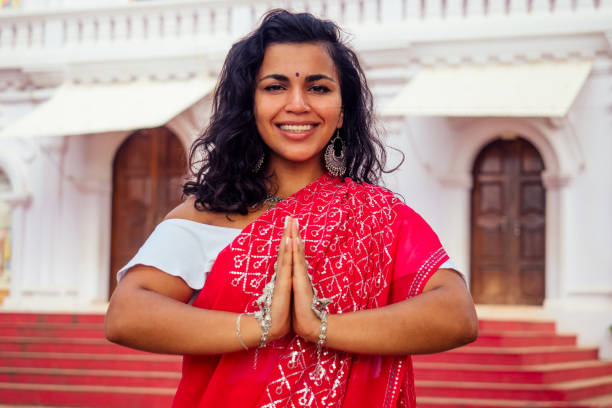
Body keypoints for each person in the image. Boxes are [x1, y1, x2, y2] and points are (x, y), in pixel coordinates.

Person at [105, 9, 478, 408]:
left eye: (318, 88)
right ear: (250, 106)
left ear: (342, 112)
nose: (297, 104)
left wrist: (321, 328)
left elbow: (456, 314)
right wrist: (262, 327)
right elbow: (127, 314)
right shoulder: (206, 216)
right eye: (275, 87)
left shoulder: (380, 216)